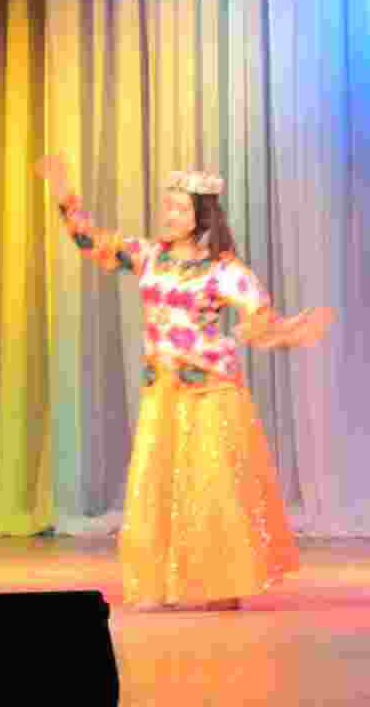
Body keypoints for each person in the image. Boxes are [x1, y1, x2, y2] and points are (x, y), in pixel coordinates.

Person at [37, 153, 333, 611]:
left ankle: (222, 584)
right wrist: (63, 194)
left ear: (200, 216)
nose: (169, 215)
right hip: (162, 390)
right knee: (158, 489)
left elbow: (260, 319)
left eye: (179, 208)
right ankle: (161, 583)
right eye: (168, 206)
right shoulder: (149, 256)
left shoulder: (223, 269)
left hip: (210, 390)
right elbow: (91, 241)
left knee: (211, 490)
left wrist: (286, 332)